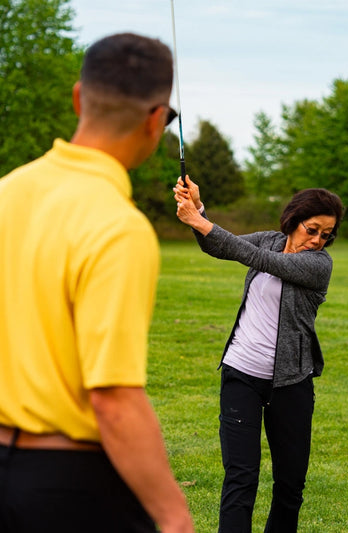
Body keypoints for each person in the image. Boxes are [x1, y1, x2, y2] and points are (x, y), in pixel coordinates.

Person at [0, 33, 194, 533]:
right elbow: (113, 399)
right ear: (156, 120)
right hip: (65, 486)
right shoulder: (118, 227)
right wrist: (174, 516)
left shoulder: (6, 192)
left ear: (78, 98)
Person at [174, 176, 343, 533]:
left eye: (326, 235)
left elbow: (254, 257)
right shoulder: (270, 239)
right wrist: (198, 211)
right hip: (240, 375)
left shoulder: (318, 265)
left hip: (291, 382)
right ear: (294, 219)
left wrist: (199, 219)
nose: (317, 240)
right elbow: (221, 247)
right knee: (241, 477)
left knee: (290, 484)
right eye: (312, 229)